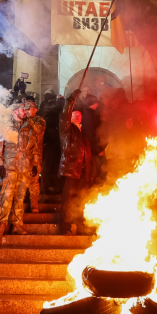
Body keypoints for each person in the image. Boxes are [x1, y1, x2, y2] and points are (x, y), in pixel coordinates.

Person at [0, 105, 38, 237]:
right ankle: (1, 224)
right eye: (23, 109)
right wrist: (0, 165)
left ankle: (17, 225)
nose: (26, 112)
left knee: (20, 197)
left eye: (26, 110)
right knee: (6, 197)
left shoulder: (29, 127)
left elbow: (34, 147)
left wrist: (34, 164)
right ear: (15, 111)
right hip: (9, 167)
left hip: (24, 168)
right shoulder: (5, 127)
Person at [59, 90, 92, 235]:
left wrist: (89, 171)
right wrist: (71, 100)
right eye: (75, 114)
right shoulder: (67, 130)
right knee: (68, 200)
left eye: (80, 115)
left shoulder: (82, 134)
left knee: (81, 199)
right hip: (71, 169)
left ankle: (79, 223)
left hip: (82, 171)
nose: (78, 116)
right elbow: (64, 115)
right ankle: (65, 225)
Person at [39, 91, 63, 194]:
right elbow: (56, 107)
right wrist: (61, 100)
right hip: (48, 139)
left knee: (55, 163)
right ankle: (45, 186)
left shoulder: (49, 105)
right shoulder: (45, 105)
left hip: (55, 138)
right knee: (47, 164)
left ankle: (54, 185)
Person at [24, 100, 46, 213]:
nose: (26, 111)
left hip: (35, 155)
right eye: (25, 109)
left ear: (35, 110)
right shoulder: (23, 121)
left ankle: (34, 203)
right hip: (23, 155)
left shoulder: (40, 120)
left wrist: (27, 120)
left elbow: (37, 129)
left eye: (29, 109)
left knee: (34, 180)